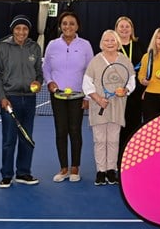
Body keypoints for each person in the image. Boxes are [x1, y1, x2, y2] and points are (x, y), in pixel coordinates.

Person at [0, 15, 43, 188]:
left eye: (25, 29)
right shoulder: (3, 47)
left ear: (28, 31)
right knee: (9, 139)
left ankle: (23, 173)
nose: (21, 32)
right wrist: (2, 98)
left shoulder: (34, 47)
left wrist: (38, 82)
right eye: (18, 28)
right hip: (10, 99)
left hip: (29, 99)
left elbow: (39, 73)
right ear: (13, 30)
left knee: (27, 138)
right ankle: (6, 175)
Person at [42, 11, 94, 183]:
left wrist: (87, 97)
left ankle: (75, 168)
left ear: (77, 26)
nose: (68, 26)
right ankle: (63, 168)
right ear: (60, 26)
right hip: (58, 96)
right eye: (64, 23)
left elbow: (90, 71)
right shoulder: (52, 45)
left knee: (75, 131)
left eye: (72, 23)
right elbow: (46, 67)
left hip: (78, 96)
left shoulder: (85, 45)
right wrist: (49, 81)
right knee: (61, 131)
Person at [83, 30, 136, 185]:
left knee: (113, 139)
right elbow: (86, 84)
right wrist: (98, 99)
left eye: (113, 40)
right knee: (99, 140)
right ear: (102, 43)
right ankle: (101, 171)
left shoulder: (125, 60)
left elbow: (131, 81)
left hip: (117, 106)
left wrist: (126, 90)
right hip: (99, 105)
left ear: (118, 42)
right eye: (106, 40)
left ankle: (111, 170)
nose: (110, 43)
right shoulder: (95, 61)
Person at [115, 16, 147, 163]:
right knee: (118, 126)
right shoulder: (111, 45)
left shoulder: (139, 46)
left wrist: (145, 88)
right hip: (117, 93)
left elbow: (146, 68)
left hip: (136, 93)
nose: (124, 29)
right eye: (121, 26)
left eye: (127, 26)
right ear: (116, 29)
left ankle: (130, 157)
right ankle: (117, 159)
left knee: (134, 125)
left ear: (132, 29)